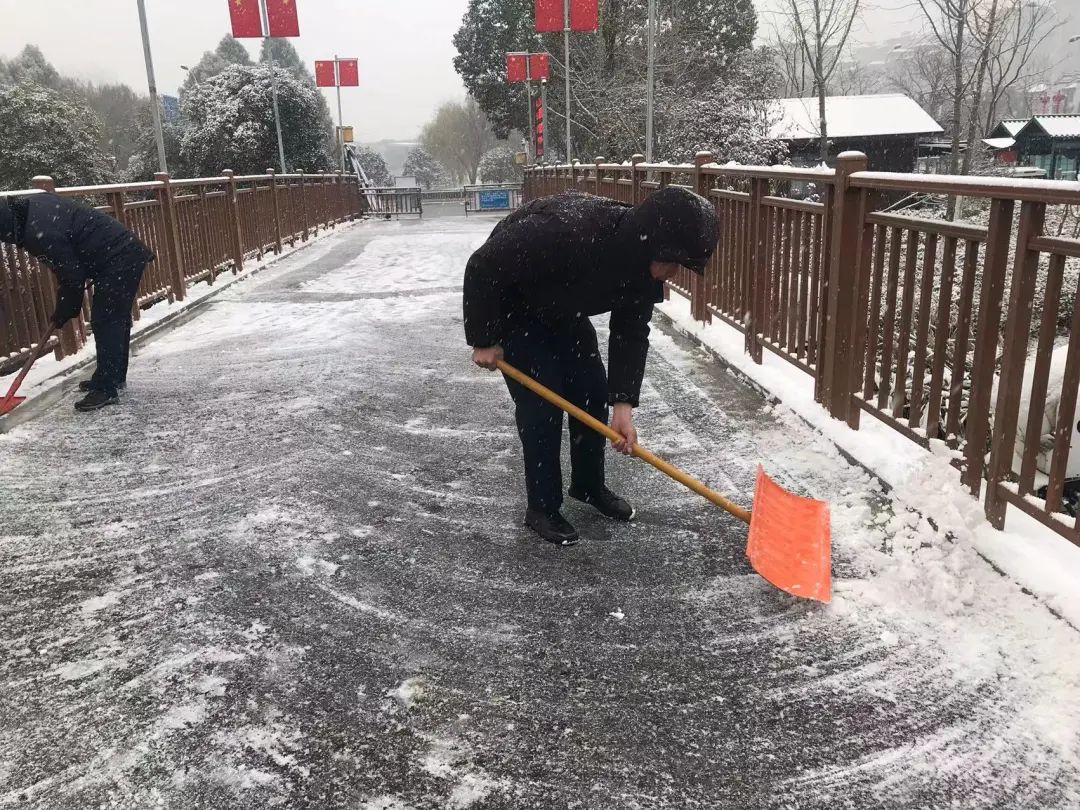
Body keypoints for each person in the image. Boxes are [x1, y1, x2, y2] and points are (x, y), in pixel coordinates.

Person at [463, 186, 719, 546]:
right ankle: (542, 507)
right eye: (674, 262)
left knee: (591, 390)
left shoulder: (640, 264)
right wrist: (483, 338)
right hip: (515, 307)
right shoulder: (565, 232)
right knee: (542, 407)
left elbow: (630, 333)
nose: (675, 273)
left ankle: (587, 484)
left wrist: (623, 405)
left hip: (563, 307)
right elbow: (482, 265)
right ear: (654, 244)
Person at [0, 192, 155, 412]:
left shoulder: (38, 233)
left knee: (107, 321)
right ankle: (110, 377)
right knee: (113, 320)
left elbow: (71, 275)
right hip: (118, 253)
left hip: (120, 257)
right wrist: (67, 304)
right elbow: (69, 262)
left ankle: (107, 388)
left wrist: (64, 309)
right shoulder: (30, 207)